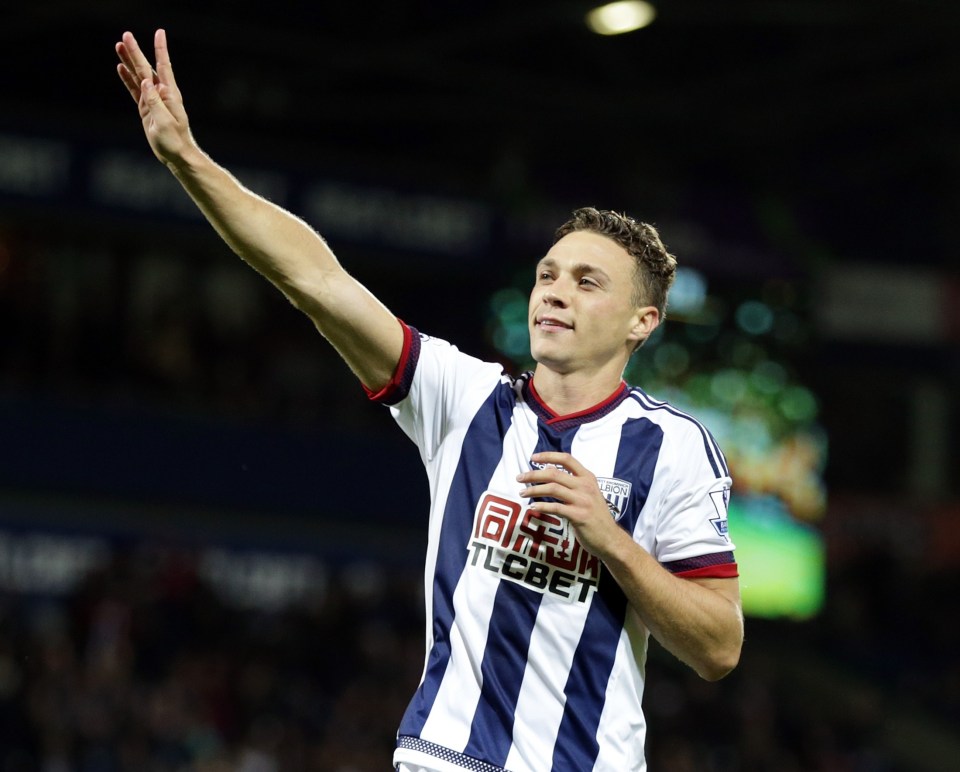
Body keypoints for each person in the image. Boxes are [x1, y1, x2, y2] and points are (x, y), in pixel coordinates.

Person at [115, 29, 744, 772]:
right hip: (446, 757)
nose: (555, 291)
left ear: (643, 322)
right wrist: (189, 161)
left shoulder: (670, 446)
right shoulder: (463, 397)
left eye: (587, 281)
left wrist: (610, 541)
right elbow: (317, 281)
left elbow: (718, 647)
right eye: (548, 273)